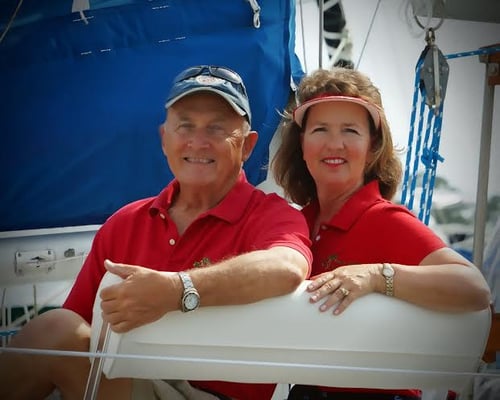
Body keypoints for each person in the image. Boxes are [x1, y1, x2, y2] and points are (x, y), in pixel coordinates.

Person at [0, 65, 313, 400]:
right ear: (164, 139)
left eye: (217, 128)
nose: (198, 141)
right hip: (121, 382)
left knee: (53, 331)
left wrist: (176, 289)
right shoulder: (124, 222)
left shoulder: (270, 215)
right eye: (185, 126)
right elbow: (79, 328)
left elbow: (287, 266)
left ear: (248, 146)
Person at [271, 67, 492, 400]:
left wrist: (376, 276)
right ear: (301, 144)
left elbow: (474, 288)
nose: (335, 143)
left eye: (350, 130)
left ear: (373, 147)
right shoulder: (297, 225)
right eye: (320, 129)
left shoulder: (384, 219)